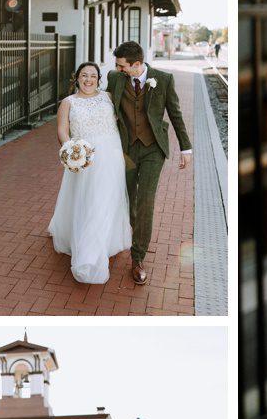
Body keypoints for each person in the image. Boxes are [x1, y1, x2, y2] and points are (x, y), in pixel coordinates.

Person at [106, 42, 192, 287]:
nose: (117, 69)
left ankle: (138, 256)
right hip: (126, 149)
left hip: (154, 148)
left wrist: (186, 148)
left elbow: (175, 114)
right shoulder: (115, 78)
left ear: (136, 64)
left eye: (122, 65)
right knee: (127, 196)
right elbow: (104, 105)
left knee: (146, 199)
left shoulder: (163, 79)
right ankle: (131, 232)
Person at [48, 61, 132, 285]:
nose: (88, 80)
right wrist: (71, 149)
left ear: (99, 79)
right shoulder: (68, 102)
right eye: (84, 75)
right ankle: (89, 254)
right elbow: (62, 130)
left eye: (93, 76)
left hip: (112, 157)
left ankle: (104, 241)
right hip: (85, 159)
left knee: (107, 201)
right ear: (77, 78)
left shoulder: (108, 98)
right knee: (88, 202)